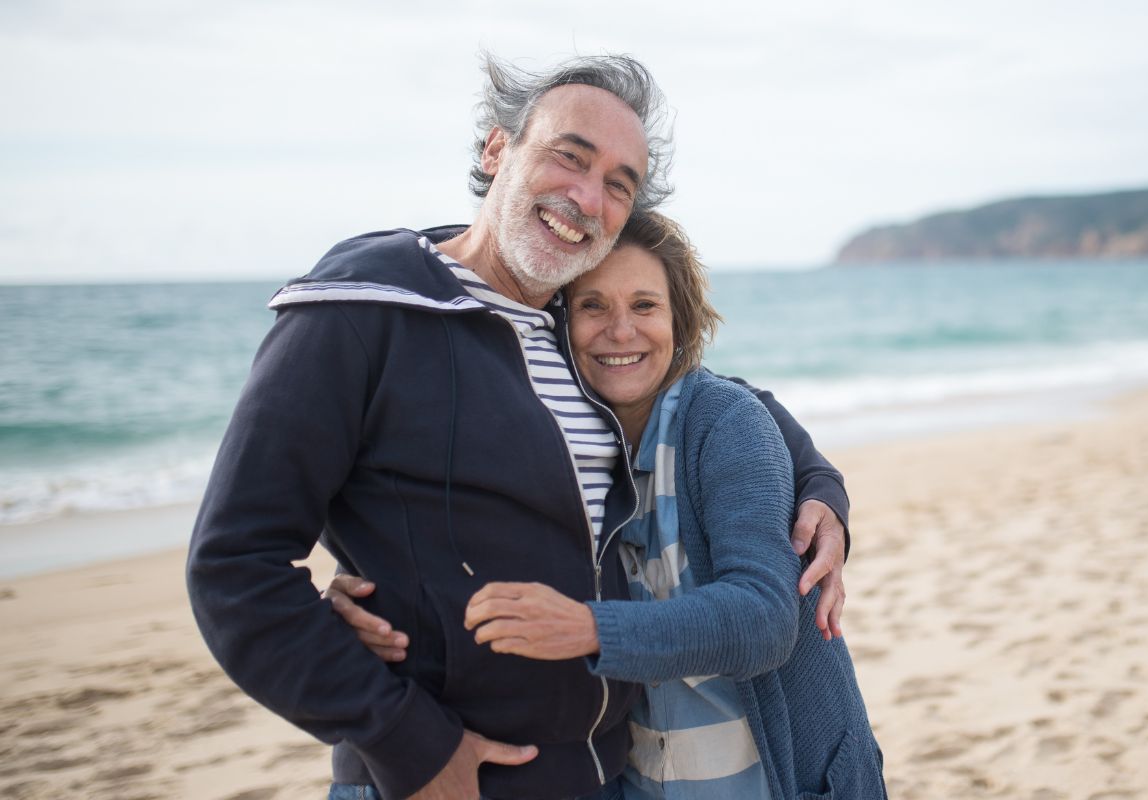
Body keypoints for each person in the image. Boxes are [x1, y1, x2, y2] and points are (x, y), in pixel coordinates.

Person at [187, 52, 851, 800]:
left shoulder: (571, 328)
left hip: (607, 777)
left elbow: (721, 402)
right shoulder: (361, 313)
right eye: (570, 158)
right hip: (449, 780)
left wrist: (822, 491)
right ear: (497, 149)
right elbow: (234, 567)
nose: (586, 197)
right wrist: (404, 741)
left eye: (617, 186)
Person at [336, 212, 887, 799]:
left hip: (786, 781)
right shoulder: (554, 446)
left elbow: (765, 620)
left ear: (680, 318)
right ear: (555, 324)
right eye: (592, 306)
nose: (621, 331)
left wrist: (589, 629)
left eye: (645, 305)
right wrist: (371, 591)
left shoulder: (722, 422)